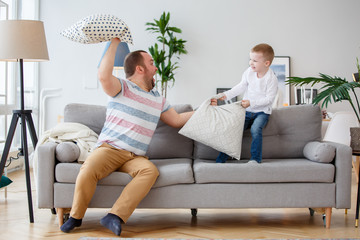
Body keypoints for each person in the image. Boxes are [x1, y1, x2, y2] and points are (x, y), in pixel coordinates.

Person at [60, 38, 194, 236]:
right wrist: (114, 42)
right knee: (88, 169)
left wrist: (204, 110)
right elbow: (103, 76)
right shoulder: (122, 88)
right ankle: (76, 217)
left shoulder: (158, 98)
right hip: (109, 149)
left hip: (135, 157)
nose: (156, 68)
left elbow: (176, 119)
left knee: (150, 171)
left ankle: (115, 216)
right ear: (139, 69)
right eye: (151, 64)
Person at [211, 43, 278, 164]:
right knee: (233, 129)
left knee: (255, 129)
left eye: (255, 60)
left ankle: (255, 159)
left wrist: (251, 102)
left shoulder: (271, 78)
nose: (251, 63)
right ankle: (221, 159)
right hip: (247, 111)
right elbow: (240, 87)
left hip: (262, 112)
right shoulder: (249, 72)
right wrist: (225, 95)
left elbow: (269, 100)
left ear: (266, 63)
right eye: (250, 59)